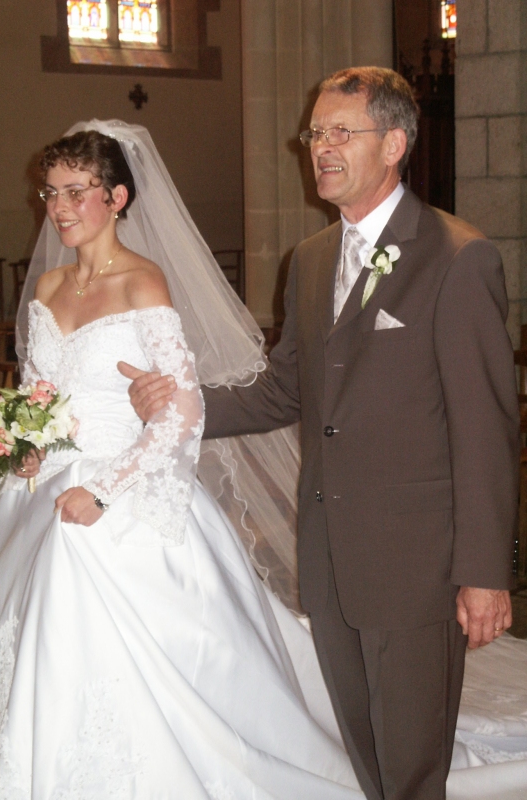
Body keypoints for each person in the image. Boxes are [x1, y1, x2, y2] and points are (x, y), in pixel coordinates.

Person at [124, 68, 521, 800]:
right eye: (316, 132)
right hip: (332, 554)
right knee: (366, 752)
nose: (322, 148)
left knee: (412, 763)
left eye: (343, 132)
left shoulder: (458, 258)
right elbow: (285, 389)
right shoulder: (309, 261)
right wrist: (182, 404)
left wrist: (485, 572)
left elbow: (485, 430)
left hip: (417, 562)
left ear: (394, 143)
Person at [0, 121, 368, 799]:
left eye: (75, 192)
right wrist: (19, 451)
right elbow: (38, 395)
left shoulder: (143, 283)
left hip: (121, 484)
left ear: (116, 197)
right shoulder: (47, 291)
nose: (58, 207)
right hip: (49, 484)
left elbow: (178, 412)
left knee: (78, 559)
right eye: (51, 192)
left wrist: (106, 491)